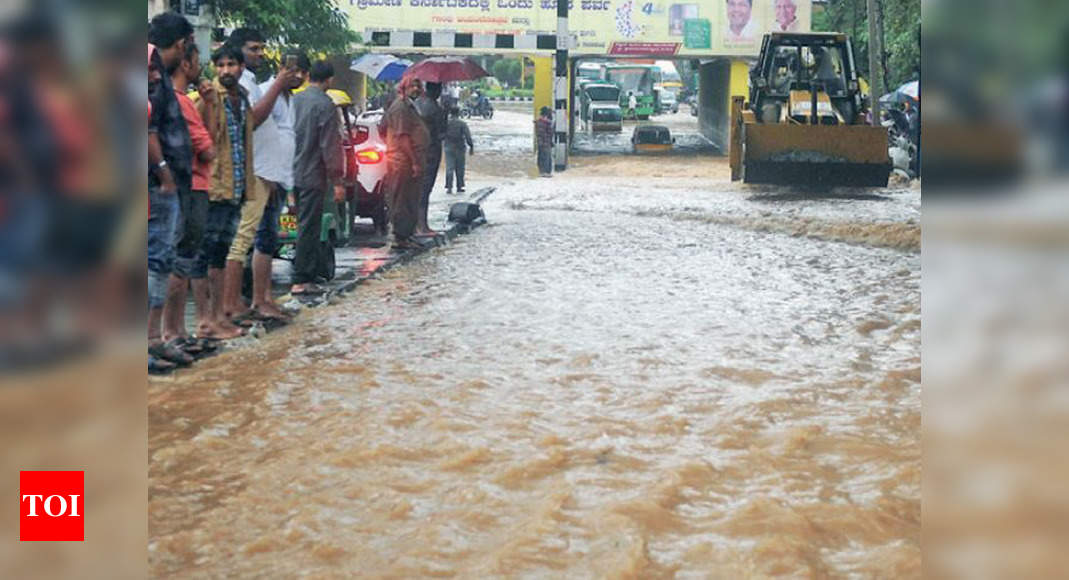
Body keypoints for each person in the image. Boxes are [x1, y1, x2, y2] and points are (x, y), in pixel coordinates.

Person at [221, 28, 300, 325]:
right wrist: (278, 83)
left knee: (267, 237)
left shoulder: (252, 82)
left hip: (272, 172)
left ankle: (261, 299)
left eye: (261, 48)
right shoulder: (241, 82)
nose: (260, 54)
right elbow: (253, 120)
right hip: (255, 171)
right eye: (254, 49)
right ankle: (230, 305)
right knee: (242, 239)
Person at [160, 39, 222, 348]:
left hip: (193, 185)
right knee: (180, 261)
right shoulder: (180, 101)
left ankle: (174, 332)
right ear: (186, 64)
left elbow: (207, 138)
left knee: (181, 260)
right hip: (191, 186)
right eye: (198, 60)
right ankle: (171, 331)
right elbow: (209, 149)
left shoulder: (186, 99)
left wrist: (209, 104)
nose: (203, 68)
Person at [195, 44, 257, 340]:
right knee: (205, 255)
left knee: (221, 254)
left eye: (231, 65)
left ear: (241, 67)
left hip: (236, 188)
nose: (225, 71)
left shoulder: (242, 98)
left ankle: (219, 316)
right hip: (213, 187)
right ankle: (206, 320)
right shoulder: (207, 97)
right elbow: (198, 136)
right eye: (220, 65)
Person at [147, 12, 195, 370]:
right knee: (155, 261)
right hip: (157, 185)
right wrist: (164, 173)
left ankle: (153, 340)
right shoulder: (148, 76)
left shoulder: (157, 75)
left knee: (161, 261)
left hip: (167, 183)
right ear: (181, 44)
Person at [290, 60, 345, 295]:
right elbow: (329, 147)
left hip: (289, 172)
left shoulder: (294, 101)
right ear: (329, 80)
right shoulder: (326, 105)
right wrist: (338, 181)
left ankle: (302, 275)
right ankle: (303, 278)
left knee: (301, 224)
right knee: (309, 227)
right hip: (313, 175)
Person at [383, 76, 429, 249]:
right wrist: (414, 162)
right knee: (402, 199)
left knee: (410, 198)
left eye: (418, 85)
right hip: (403, 162)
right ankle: (400, 237)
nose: (416, 89)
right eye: (413, 86)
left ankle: (406, 235)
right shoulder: (400, 108)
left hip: (409, 160)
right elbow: (403, 138)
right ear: (403, 87)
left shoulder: (410, 106)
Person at [415, 81, 447, 235]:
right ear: (436, 90)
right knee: (425, 190)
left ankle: (417, 225)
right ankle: (422, 225)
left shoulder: (415, 104)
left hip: (416, 152)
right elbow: (441, 133)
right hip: (431, 153)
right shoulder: (436, 108)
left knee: (417, 189)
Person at [443, 107, 473, 194]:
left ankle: (449, 187)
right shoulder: (462, 124)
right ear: (458, 113)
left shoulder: (446, 123)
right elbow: (468, 136)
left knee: (449, 168)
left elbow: (441, 134)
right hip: (460, 148)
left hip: (448, 147)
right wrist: (471, 146)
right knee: (460, 168)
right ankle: (459, 186)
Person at [535, 106, 553, 177]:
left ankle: (541, 172)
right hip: (546, 143)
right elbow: (550, 134)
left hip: (540, 143)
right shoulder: (547, 123)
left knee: (541, 157)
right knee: (547, 158)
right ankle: (546, 173)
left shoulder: (538, 122)